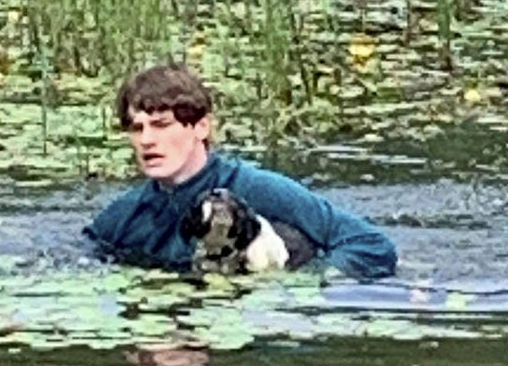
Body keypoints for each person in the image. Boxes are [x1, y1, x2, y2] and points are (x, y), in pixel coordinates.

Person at [82, 63, 397, 280]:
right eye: (137, 129)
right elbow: (84, 259)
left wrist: (303, 284)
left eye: (162, 125)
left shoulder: (260, 189)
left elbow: (372, 246)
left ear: (201, 127)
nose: (147, 140)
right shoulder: (121, 219)